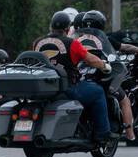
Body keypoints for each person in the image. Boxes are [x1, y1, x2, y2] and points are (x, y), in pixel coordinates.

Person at [34, 10, 112, 143]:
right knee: (98, 92)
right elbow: (90, 59)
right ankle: (103, 134)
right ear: (67, 28)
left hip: (44, 88)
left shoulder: (38, 42)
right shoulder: (72, 43)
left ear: (51, 26)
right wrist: (103, 65)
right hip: (67, 88)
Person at [75, 9, 136, 143]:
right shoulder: (104, 39)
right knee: (124, 99)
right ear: (101, 25)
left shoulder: (76, 39)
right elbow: (123, 47)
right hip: (98, 75)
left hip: (80, 77)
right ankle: (130, 134)